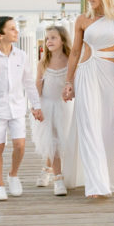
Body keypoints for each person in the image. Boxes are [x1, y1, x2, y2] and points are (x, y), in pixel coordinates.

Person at [62, 0, 114, 197]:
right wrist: (68, 82)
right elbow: (74, 52)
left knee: (107, 128)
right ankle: (96, 185)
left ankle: (107, 179)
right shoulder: (82, 20)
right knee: (89, 126)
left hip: (110, 76)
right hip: (86, 74)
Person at [0, 16, 44, 201]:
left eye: (16, 28)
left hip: (17, 108)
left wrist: (36, 106)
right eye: (12, 29)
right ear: (0, 35)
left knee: (20, 146)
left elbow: (29, 83)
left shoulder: (22, 56)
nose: (17, 32)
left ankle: (13, 174)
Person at [30, 24, 81, 196]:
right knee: (52, 141)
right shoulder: (43, 62)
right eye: (47, 38)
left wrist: (71, 90)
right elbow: (38, 84)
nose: (49, 41)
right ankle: (58, 179)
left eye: (53, 38)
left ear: (62, 40)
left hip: (64, 107)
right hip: (46, 105)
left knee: (61, 140)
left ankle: (46, 169)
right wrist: (35, 106)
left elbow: (75, 82)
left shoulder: (70, 61)